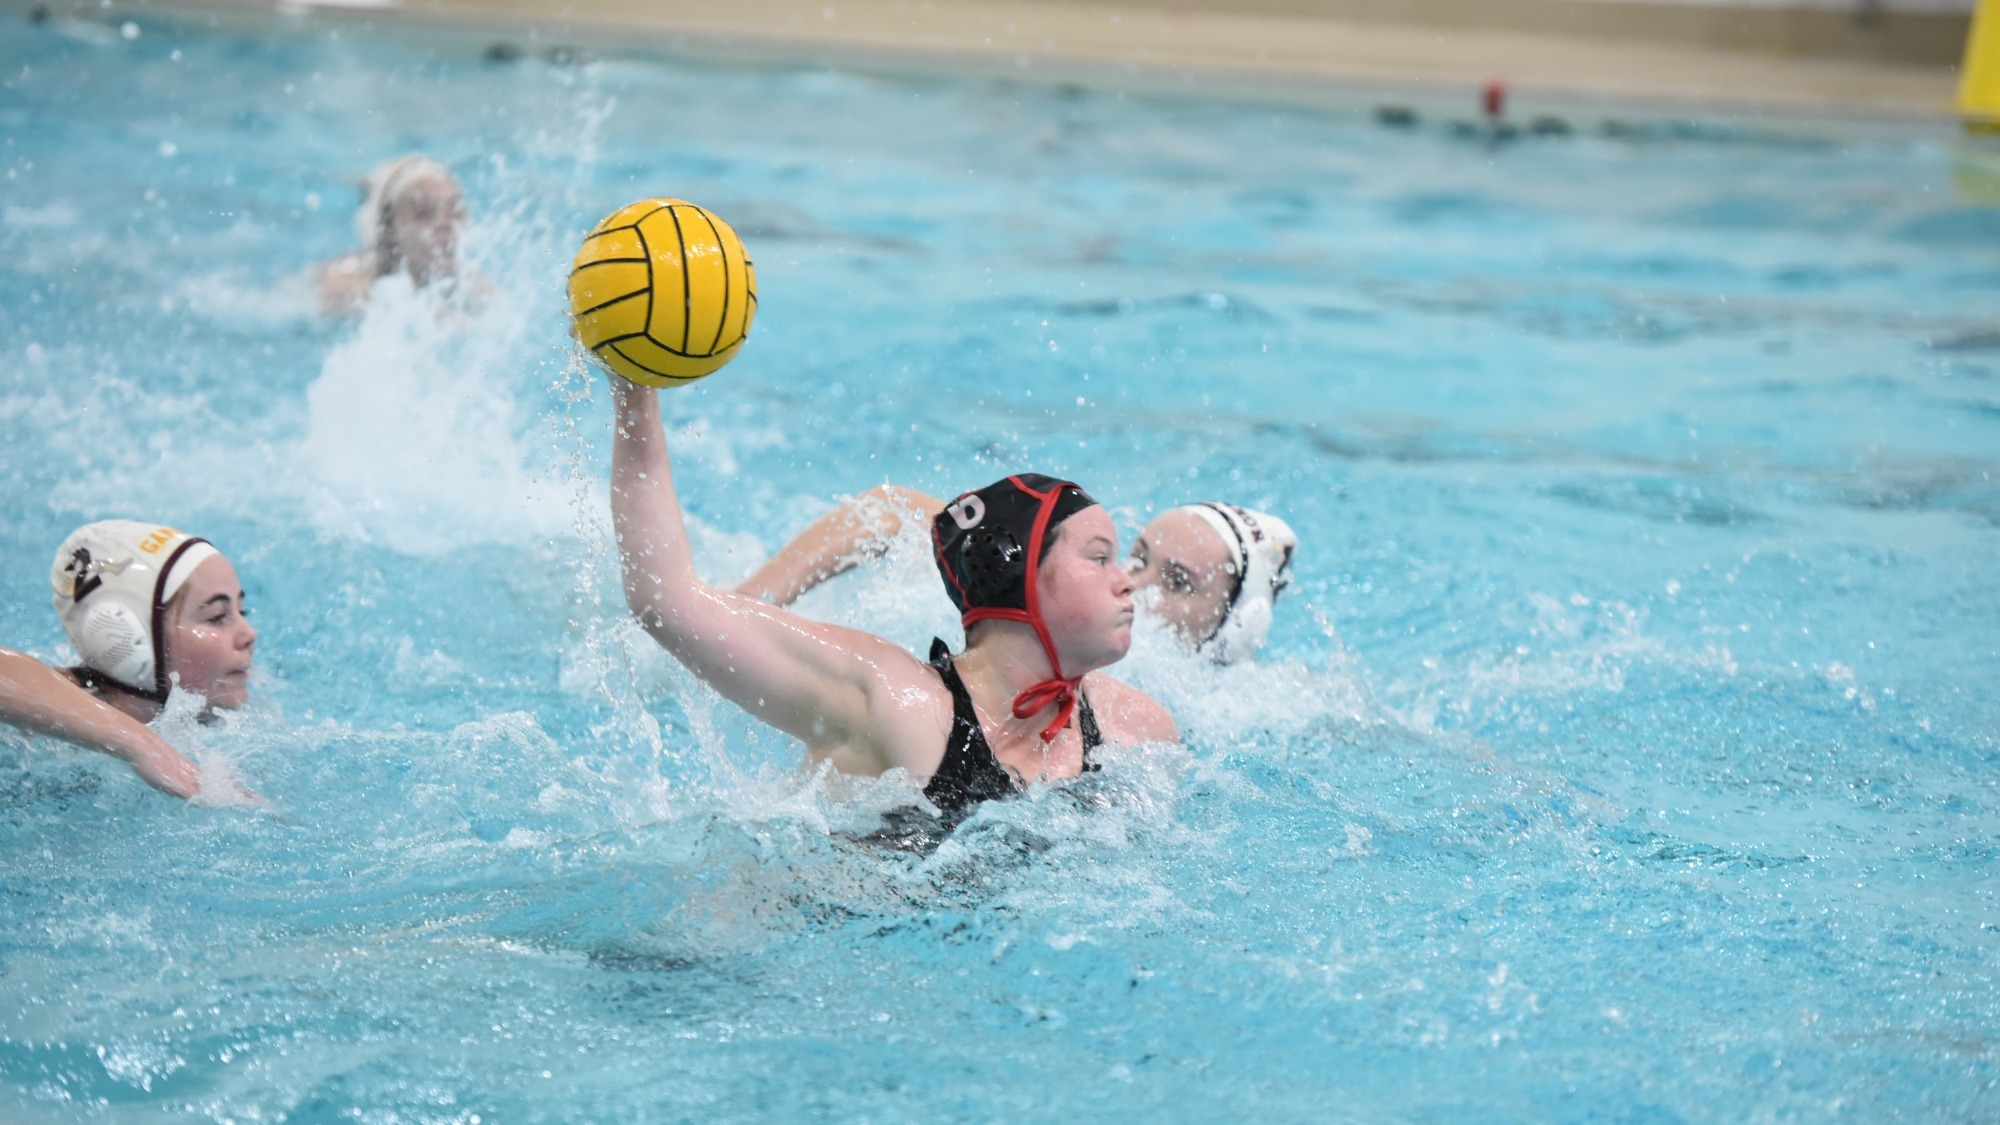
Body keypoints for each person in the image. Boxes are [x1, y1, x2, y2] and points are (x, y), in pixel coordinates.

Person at [609, 382, 1177, 823]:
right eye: (1099, 557)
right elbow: (667, 601)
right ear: (1017, 576)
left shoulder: (1135, 728)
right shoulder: (897, 704)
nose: (1127, 581)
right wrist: (636, 400)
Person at [737, 484, 1298, 665]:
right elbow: (892, 509)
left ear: (1232, 627)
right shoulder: (1046, 602)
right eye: (1140, 556)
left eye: (1177, 582)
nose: (1135, 582)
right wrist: (747, 607)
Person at [0, 520, 257, 800]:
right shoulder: (41, 737)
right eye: (217, 617)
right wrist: (139, 744)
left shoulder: (217, 720)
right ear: (130, 637)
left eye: (242, 611)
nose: (249, 634)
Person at [316, 153, 474, 314]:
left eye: (457, 211)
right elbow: (338, 294)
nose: (446, 225)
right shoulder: (346, 282)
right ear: (391, 232)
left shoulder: (473, 285)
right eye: (423, 214)